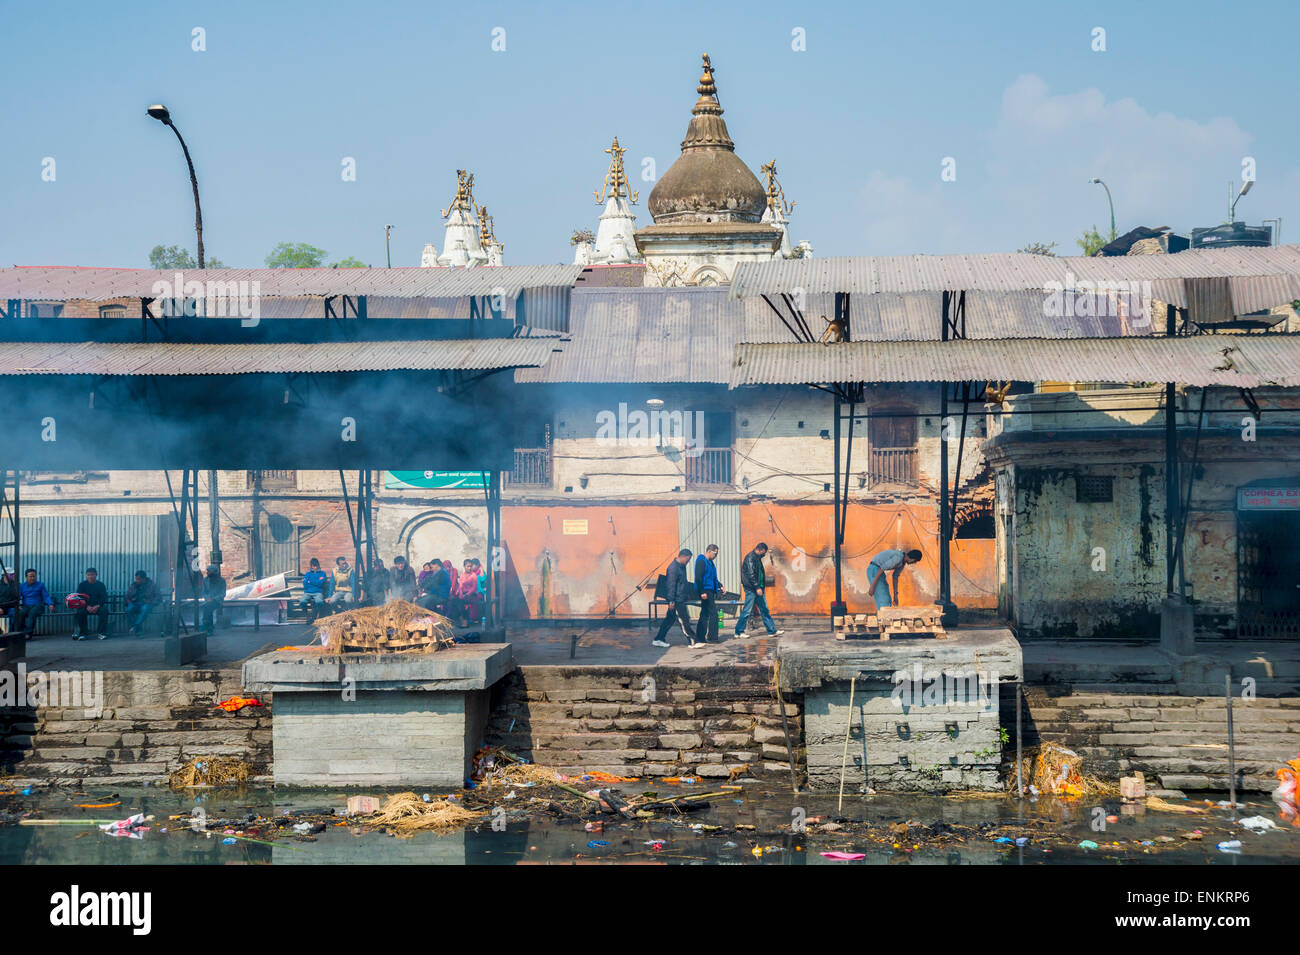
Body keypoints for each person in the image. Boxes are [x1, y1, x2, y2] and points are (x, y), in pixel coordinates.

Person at [736, 542, 784, 639]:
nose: (764, 554)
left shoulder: (757, 558)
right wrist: (757, 587)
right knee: (747, 610)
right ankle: (738, 632)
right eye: (764, 552)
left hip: (759, 588)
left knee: (764, 609)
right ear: (760, 550)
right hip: (752, 589)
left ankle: (772, 631)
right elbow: (751, 574)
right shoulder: (750, 558)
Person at [653, 549, 697, 648]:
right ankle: (693, 640)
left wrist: (686, 594)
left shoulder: (681, 567)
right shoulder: (673, 568)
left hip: (681, 597)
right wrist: (671, 600)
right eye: (688, 559)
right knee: (684, 620)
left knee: (670, 619)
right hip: (676, 600)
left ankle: (658, 639)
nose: (688, 562)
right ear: (683, 556)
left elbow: (682, 583)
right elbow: (671, 585)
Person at [693, 544, 724, 644]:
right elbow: (698, 577)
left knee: (705, 613)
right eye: (716, 554)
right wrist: (702, 592)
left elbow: (713, 577)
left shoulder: (710, 563)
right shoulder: (701, 561)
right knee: (713, 613)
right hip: (705, 590)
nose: (716, 556)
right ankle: (712, 637)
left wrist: (720, 585)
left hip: (710, 590)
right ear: (710, 551)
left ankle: (700, 637)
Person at [72, 567, 110, 641]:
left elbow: (104, 597)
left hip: (98, 606)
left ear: (96, 575)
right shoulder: (82, 585)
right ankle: (83, 634)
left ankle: (101, 633)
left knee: (104, 611)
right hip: (85, 606)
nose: (91, 576)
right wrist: (86, 606)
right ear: (86, 575)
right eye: (88, 575)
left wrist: (98, 606)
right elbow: (79, 597)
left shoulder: (101, 585)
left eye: (92, 574)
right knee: (80, 612)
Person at [14, 568, 54, 635]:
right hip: (26, 606)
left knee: (32, 613)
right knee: (20, 613)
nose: (32, 578)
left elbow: (46, 596)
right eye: (30, 576)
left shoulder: (40, 585)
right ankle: (20, 633)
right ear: (26, 577)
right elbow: (17, 597)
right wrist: (17, 605)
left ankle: (28, 634)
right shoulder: (22, 586)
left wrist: (50, 604)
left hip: (38, 606)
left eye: (34, 576)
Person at [123, 570, 162, 635]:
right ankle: (137, 629)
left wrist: (151, 601)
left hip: (147, 603)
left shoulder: (152, 585)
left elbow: (158, 596)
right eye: (136, 579)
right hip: (136, 603)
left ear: (144, 579)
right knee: (128, 609)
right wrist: (129, 601)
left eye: (138, 579)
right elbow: (127, 595)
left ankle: (135, 627)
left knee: (145, 609)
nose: (137, 580)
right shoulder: (134, 585)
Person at [200, 564, 226, 635]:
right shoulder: (205, 580)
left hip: (218, 601)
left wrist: (214, 598)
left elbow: (223, 594)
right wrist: (207, 598)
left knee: (207, 607)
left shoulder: (221, 581)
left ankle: (207, 626)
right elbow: (203, 592)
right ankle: (208, 627)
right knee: (208, 607)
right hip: (208, 601)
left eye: (208, 571)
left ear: (213, 572)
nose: (207, 573)